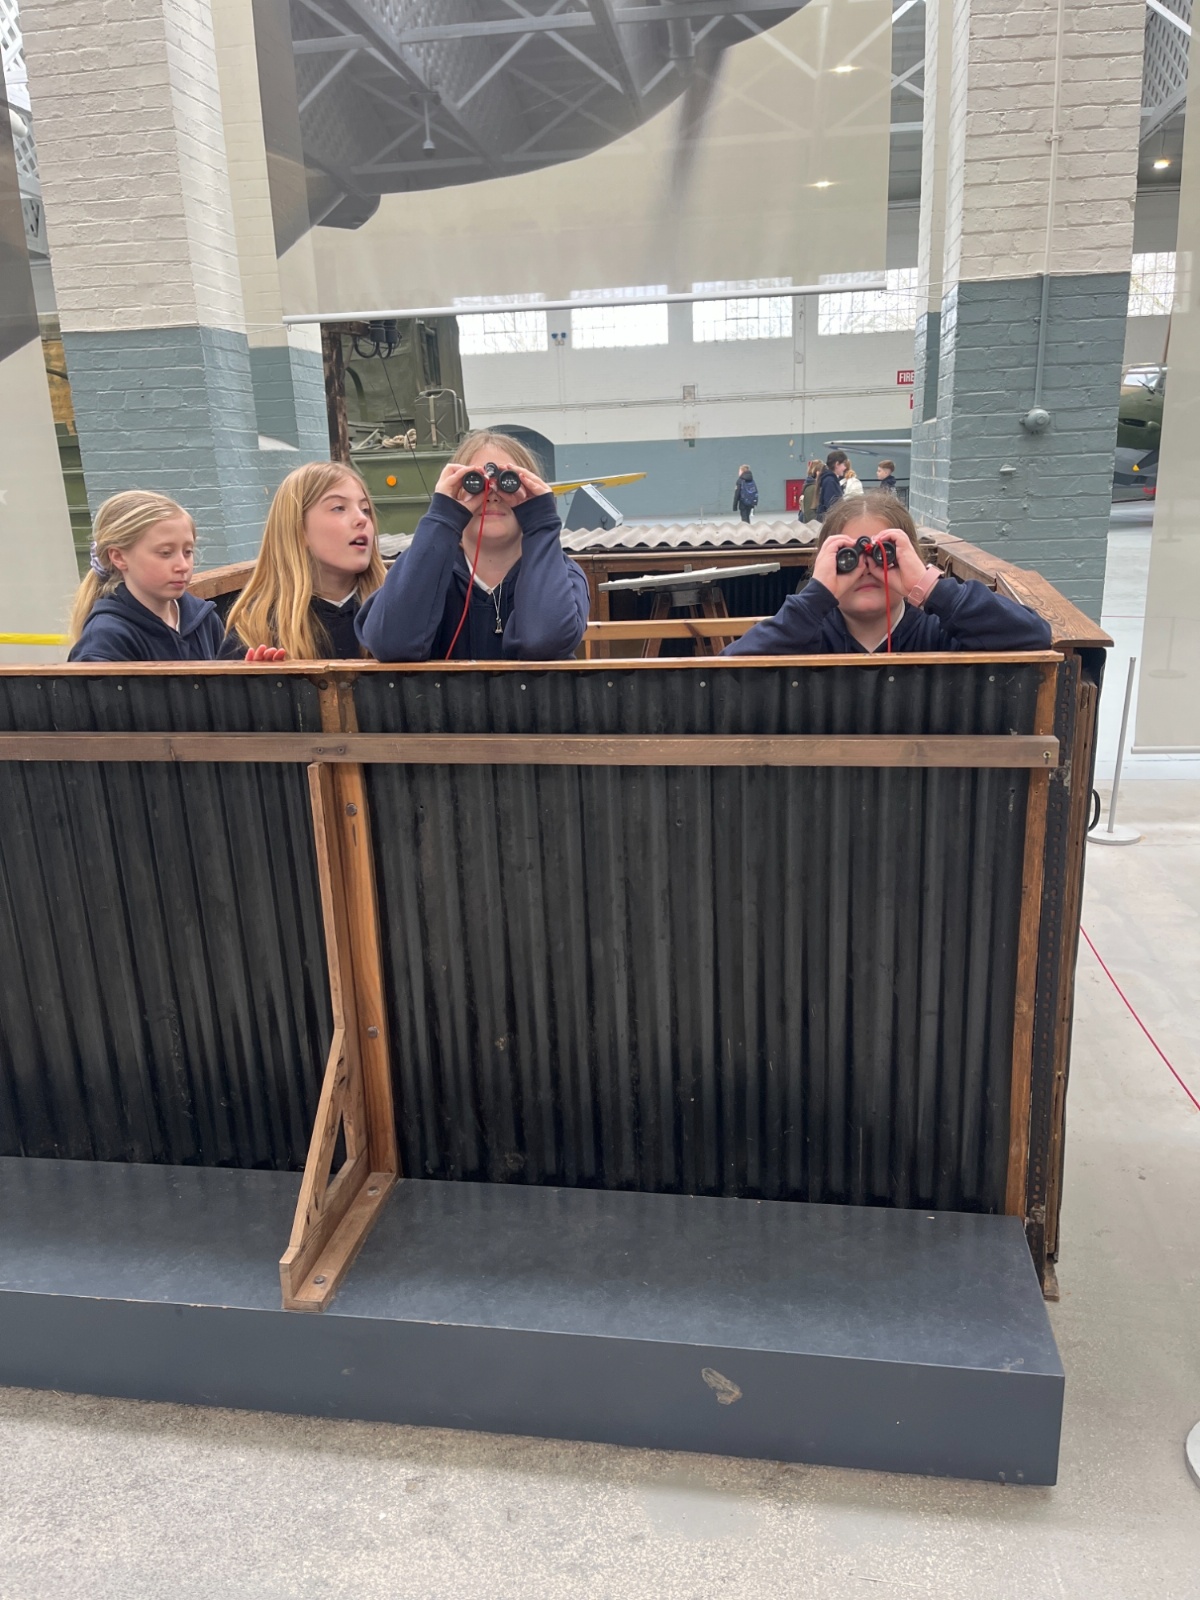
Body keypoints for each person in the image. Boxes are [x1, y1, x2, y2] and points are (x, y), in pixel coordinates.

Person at [357, 430, 590, 662]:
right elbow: (391, 643)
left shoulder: (562, 577)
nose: (493, 495)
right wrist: (443, 517)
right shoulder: (422, 572)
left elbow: (544, 642)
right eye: (477, 483)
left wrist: (540, 523)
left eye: (508, 482)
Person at [723, 492, 1052, 656]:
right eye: (848, 558)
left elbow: (1034, 635)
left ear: (912, 560)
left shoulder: (941, 631)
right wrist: (815, 599)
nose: (866, 568)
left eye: (885, 555)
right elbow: (729, 666)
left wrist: (930, 587)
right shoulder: (804, 634)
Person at [67, 490, 266, 663]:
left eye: (188, 552)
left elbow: (219, 690)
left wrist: (252, 679)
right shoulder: (105, 640)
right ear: (118, 557)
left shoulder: (205, 619)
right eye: (165, 553)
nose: (183, 565)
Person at [225, 462, 385, 659]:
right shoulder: (255, 630)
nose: (362, 519)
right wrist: (259, 678)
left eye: (365, 509)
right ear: (298, 529)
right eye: (338, 508)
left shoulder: (395, 611)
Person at [816, 451, 849, 520]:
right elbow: (832, 506)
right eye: (843, 464)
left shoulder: (830, 480)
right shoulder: (830, 481)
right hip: (830, 522)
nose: (845, 467)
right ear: (837, 464)